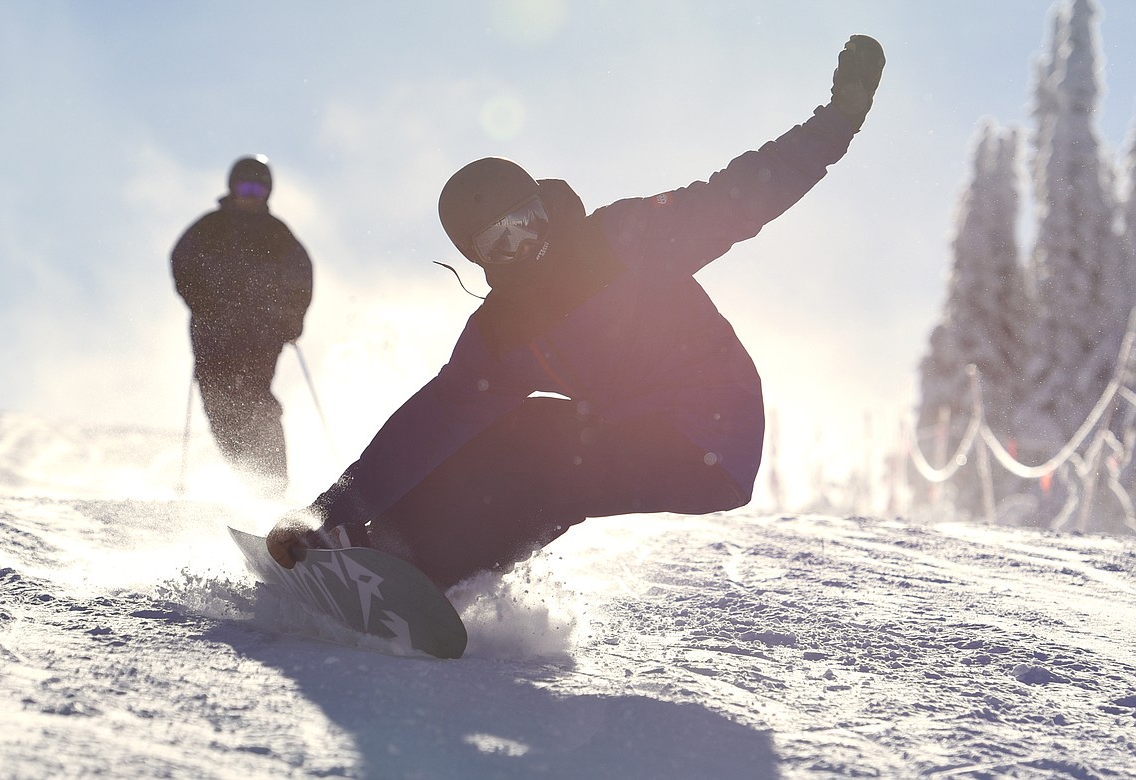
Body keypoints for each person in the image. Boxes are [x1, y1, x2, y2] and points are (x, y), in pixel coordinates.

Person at [267, 36, 885, 588]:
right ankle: (377, 545)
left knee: (554, 457)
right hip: (629, 428)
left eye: (527, 221)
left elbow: (741, 194)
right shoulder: (505, 329)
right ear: (480, 257)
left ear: (543, 204)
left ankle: (424, 568)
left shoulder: (625, 239)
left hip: (711, 433)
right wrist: (331, 508)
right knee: (512, 430)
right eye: (501, 241)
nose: (526, 244)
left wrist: (837, 122)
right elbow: (432, 420)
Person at [172, 155, 313, 497]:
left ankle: (275, 484)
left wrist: (291, 318)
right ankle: (251, 480)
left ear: (267, 193)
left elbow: (300, 277)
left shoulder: (276, 234)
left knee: (255, 399)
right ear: (232, 188)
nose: (250, 195)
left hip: (259, 334)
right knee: (219, 405)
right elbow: (182, 261)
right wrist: (200, 300)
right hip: (213, 333)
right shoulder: (210, 227)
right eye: (243, 187)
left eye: (257, 188)